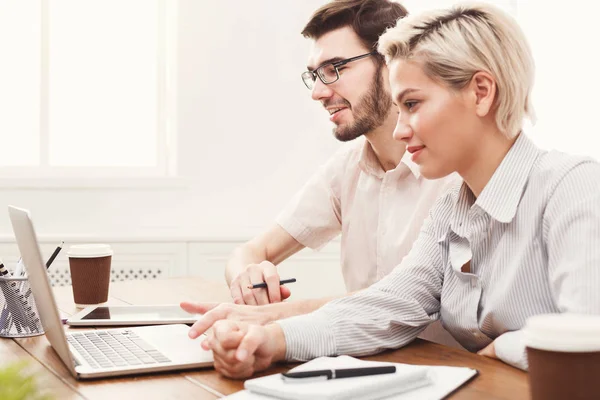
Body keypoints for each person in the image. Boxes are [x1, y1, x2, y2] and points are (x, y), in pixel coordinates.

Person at [188, 2, 600, 377]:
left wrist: (502, 347)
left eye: (414, 104)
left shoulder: (572, 186)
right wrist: (273, 341)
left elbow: (589, 339)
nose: (400, 130)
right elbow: (388, 303)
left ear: (481, 92)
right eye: (398, 108)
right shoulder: (452, 210)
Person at [182, 0, 459, 346]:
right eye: (315, 75)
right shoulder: (347, 168)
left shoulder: (454, 173)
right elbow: (250, 251)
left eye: (335, 68)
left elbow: (397, 302)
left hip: (446, 374)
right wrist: (247, 276)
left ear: (392, 61)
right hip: (363, 365)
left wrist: (272, 319)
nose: (318, 92)